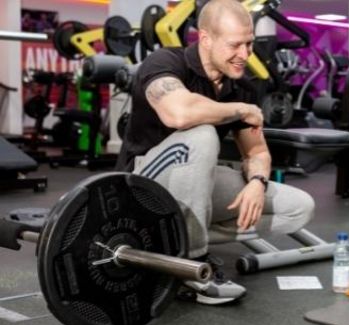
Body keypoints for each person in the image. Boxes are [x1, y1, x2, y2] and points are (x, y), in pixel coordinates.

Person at [116, 0, 314, 305]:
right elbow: (178, 114)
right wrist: (239, 109)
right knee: (203, 134)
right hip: (141, 183)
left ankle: (172, 239)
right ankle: (192, 268)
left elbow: (257, 150)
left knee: (299, 207)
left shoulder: (242, 86)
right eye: (235, 45)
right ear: (206, 39)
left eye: (249, 44)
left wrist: (257, 183)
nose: (245, 55)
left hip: (190, 185)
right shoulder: (166, 62)